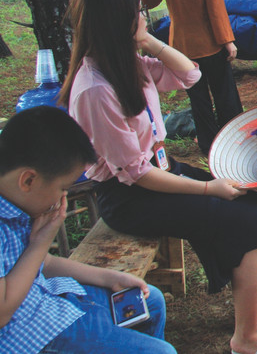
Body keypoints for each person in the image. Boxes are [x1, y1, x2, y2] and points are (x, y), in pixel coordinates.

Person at [61, 0, 257, 354]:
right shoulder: (95, 89)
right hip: (130, 197)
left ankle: (249, 316)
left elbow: (190, 74)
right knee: (251, 224)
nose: (145, 15)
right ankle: (247, 339)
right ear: (115, 19)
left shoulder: (127, 63)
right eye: (138, 11)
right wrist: (206, 189)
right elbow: (134, 173)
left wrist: (149, 40)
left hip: (160, 172)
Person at [0, 106, 176, 354]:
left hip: (46, 304)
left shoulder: (20, 203)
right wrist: (41, 242)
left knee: (150, 301)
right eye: (63, 188)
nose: (63, 196)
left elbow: (42, 263)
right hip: (24, 337)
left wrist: (109, 277)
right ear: (28, 180)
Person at [143, 0, 243, 156]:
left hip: (182, 50)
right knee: (225, 95)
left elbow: (148, 1)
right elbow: (216, 9)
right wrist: (228, 41)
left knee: (199, 101)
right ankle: (233, 138)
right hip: (211, 45)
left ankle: (208, 145)